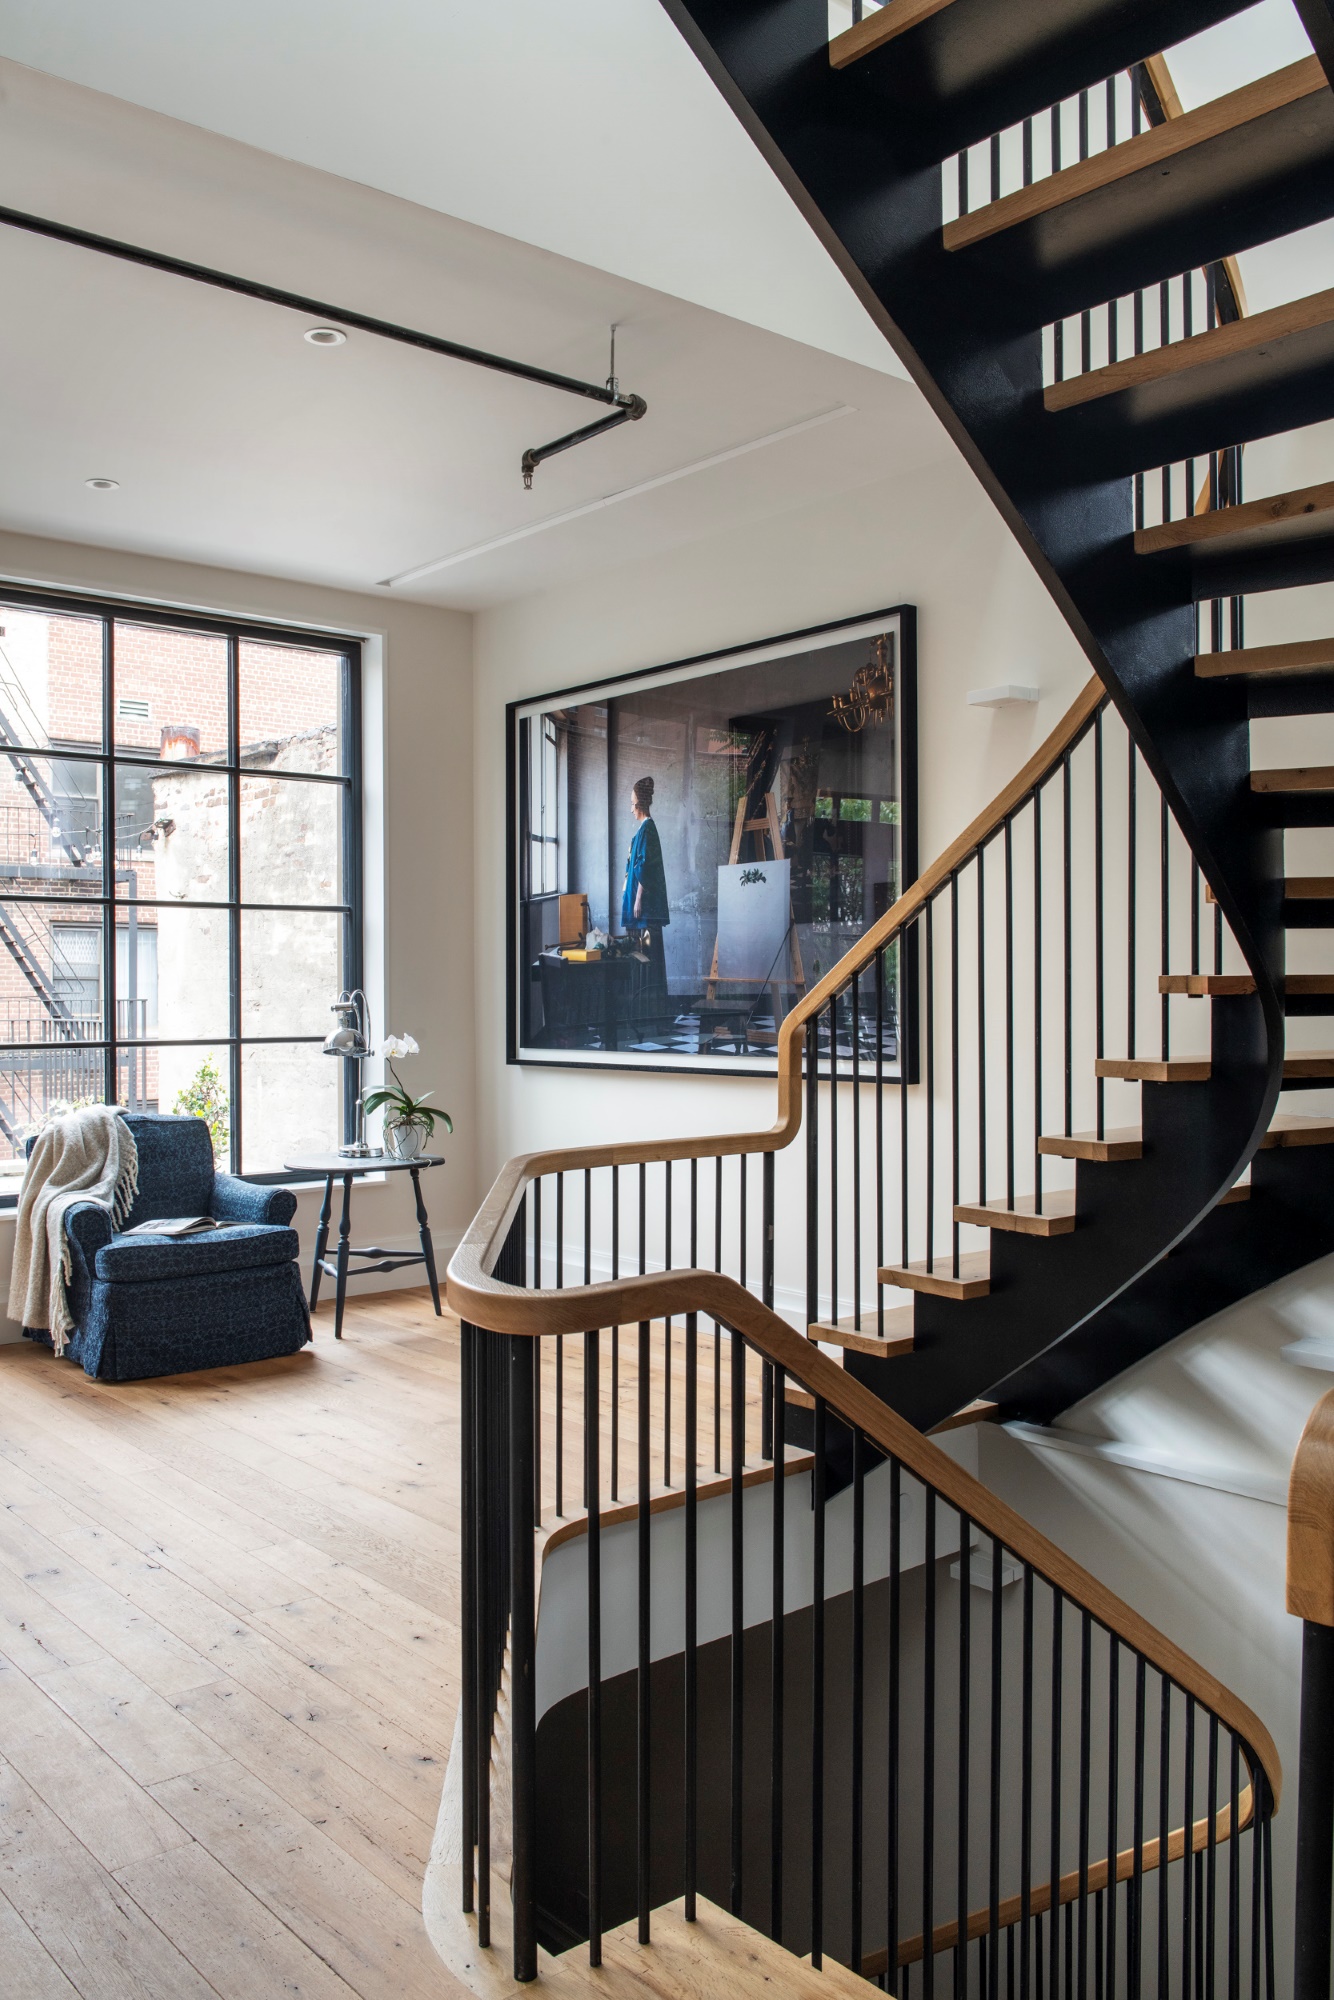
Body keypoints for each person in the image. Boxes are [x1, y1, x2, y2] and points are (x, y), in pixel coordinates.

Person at [621, 775, 670, 1020]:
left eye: (631, 804)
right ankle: (644, 1012)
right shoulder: (643, 829)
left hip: (646, 911)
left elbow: (644, 867)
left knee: (647, 954)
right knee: (642, 954)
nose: (631, 809)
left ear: (639, 803)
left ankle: (651, 1013)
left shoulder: (648, 829)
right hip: (640, 909)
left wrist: (638, 899)